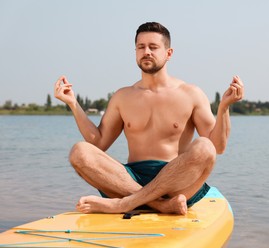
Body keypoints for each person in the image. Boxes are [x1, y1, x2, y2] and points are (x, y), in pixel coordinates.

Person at [54, 22, 244, 215]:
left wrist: (224, 108)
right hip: (129, 180)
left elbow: (217, 147)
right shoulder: (123, 96)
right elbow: (99, 143)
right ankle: (159, 205)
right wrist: (73, 104)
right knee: (79, 151)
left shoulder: (190, 93)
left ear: (168, 53)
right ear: (135, 51)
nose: (146, 52)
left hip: (175, 183)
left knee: (205, 147)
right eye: (141, 47)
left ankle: (123, 204)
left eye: (153, 47)